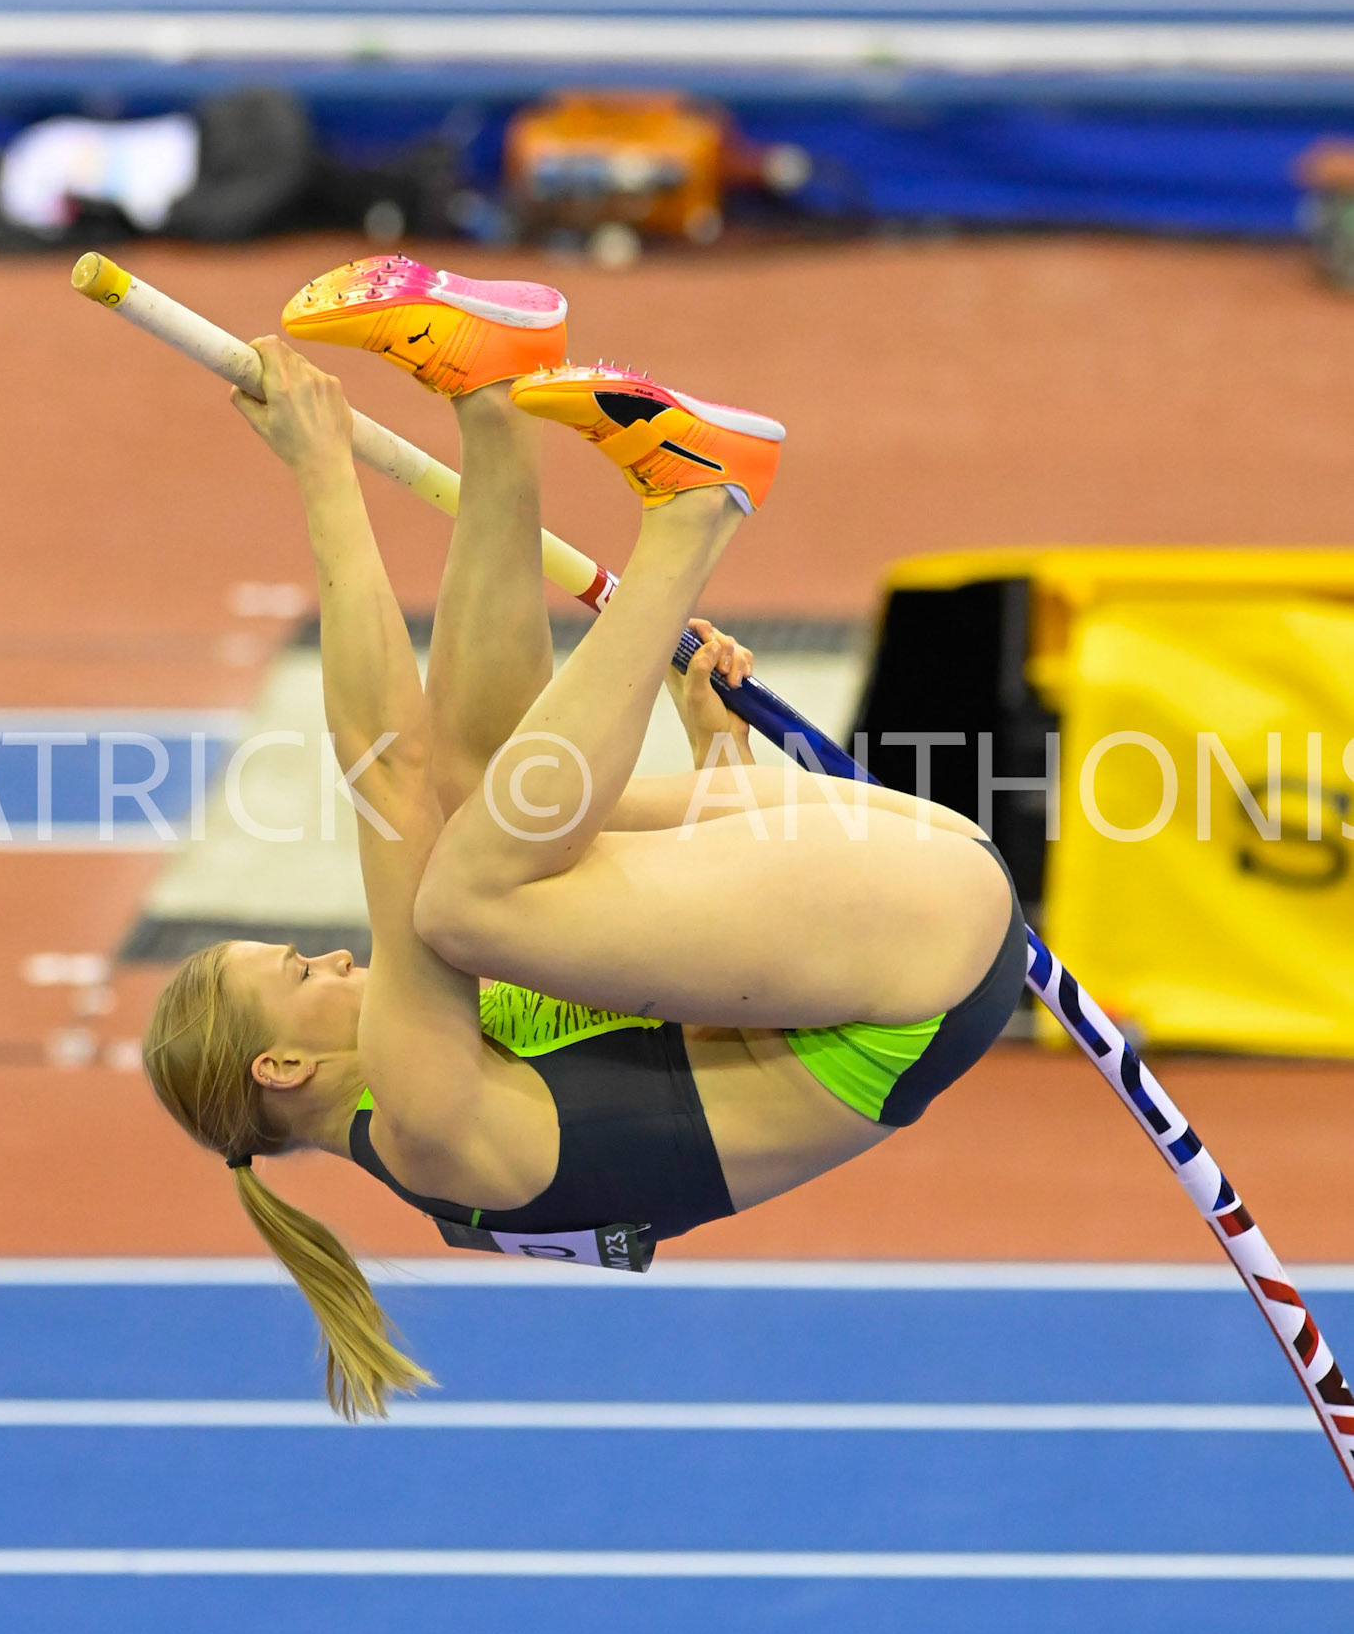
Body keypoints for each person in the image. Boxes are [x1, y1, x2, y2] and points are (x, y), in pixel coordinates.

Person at [143, 257, 1024, 1421]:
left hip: (892, 918)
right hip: (921, 962)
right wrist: (324, 476)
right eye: (300, 972)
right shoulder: (427, 1128)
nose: (338, 958)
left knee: (480, 820)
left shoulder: (462, 1071)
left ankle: (495, 394)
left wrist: (716, 754)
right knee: (456, 896)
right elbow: (382, 766)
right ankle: (694, 510)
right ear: (284, 1070)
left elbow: (718, 1005)